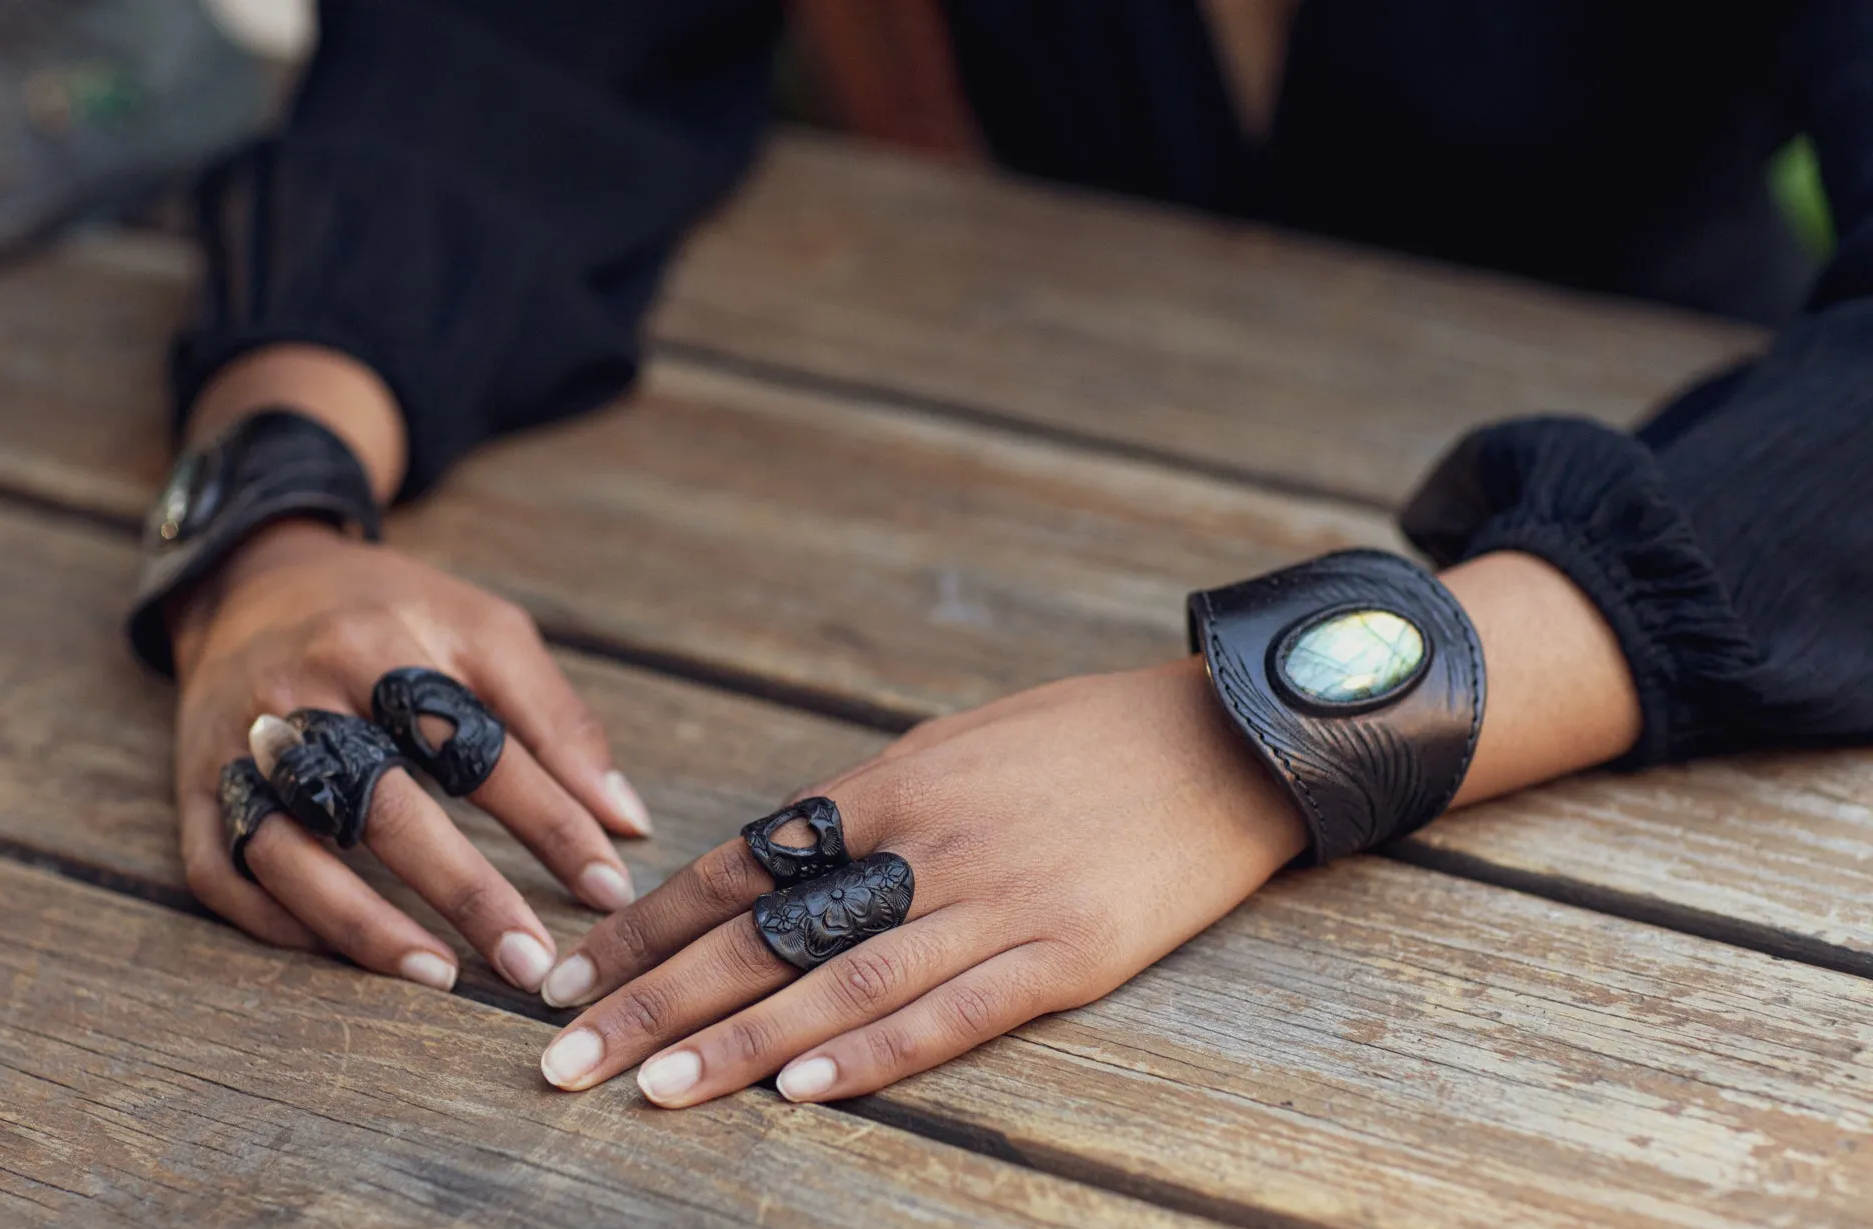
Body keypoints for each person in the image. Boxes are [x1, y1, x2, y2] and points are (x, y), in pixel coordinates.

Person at [134, 1, 1873, 1112]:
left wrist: (1250, 734)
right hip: (943, 462)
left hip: (1710, 669)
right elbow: (515, 53)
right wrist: (277, 504)